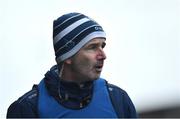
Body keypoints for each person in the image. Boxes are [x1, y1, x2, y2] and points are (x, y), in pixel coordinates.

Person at [7, 12, 137, 118]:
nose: (103, 55)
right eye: (92, 47)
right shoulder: (27, 108)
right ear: (68, 56)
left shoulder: (118, 98)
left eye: (102, 46)